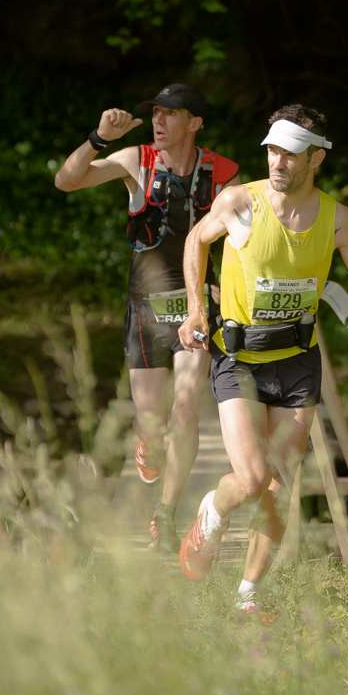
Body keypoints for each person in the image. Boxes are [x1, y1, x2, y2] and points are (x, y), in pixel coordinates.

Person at [177, 103, 348, 616]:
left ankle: (247, 595)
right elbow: (194, 241)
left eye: (291, 153)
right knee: (250, 479)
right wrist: (194, 310)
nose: (278, 161)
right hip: (239, 357)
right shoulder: (239, 202)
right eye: (272, 149)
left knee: (278, 484)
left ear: (316, 158)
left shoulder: (339, 220)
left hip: (298, 360)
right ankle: (211, 512)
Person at [54, 83, 239, 553]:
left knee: (186, 410)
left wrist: (226, 289)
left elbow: (245, 242)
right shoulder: (137, 161)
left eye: (170, 114)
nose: (158, 121)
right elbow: (66, 181)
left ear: (195, 123)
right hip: (145, 310)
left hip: (197, 307)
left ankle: (165, 513)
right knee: (152, 421)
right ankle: (148, 448)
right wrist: (99, 138)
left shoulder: (225, 175)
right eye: (155, 113)